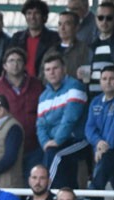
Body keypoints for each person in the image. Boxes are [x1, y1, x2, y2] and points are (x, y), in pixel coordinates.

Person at [0, 47, 45, 180]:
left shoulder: (37, 85)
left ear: (25, 64)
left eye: (19, 60)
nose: (15, 64)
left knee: (33, 184)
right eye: (11, 61)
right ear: (4, 65)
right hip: (7, 148)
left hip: (34, 146)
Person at [36, 53, 88, 189]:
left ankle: (46, 192)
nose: (51, 72)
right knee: (50, 154)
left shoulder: (75, 86)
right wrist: (45, 143)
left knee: (55, 155)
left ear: (64, 69)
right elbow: (40, 125)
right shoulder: (43, 96)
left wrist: (56, 141)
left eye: (55, 68)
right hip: (56, 143)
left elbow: (70, 118)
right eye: (48, 69)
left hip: (78, 140)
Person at [85, 65, 114, 191]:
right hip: (103, 151)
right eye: (104, 79)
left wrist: (104, 148)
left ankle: (91, 194)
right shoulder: (95, 101)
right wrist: (98, 142)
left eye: (112, 78)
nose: (108, 82)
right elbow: (89, 128)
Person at [87, 1, 114, 99]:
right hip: (92, 98)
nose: (104, 21)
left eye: (109, 18)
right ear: (95, 19)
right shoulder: (92, 42)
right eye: (101, 18)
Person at [9, 0, 60, 78]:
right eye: (29, 13)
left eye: (36, 13)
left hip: (45, 83)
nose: (32, 17)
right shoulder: (17, 38)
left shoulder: (54, 38)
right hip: (21, 83)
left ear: (44, 17)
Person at [47, 10, 91, 83]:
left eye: (67, 24)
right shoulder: (51, 51)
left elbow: (87, 78)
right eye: (60, 24)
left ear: (76, 27)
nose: (62, 28)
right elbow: (43, 77)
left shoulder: (85, 50)